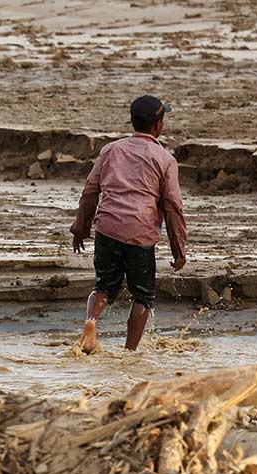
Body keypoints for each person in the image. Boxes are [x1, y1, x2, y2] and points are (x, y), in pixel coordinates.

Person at [70, 95, 187, 353]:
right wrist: (179, 249)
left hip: (108, 228)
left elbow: (90, 192)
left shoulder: (111, 150)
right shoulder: (165, 159)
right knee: (142, 296)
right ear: (158, 125)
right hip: (140, 233)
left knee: (103, 287)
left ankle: (91, 321)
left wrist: (81, 228)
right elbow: (172, 207)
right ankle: (129, 353)